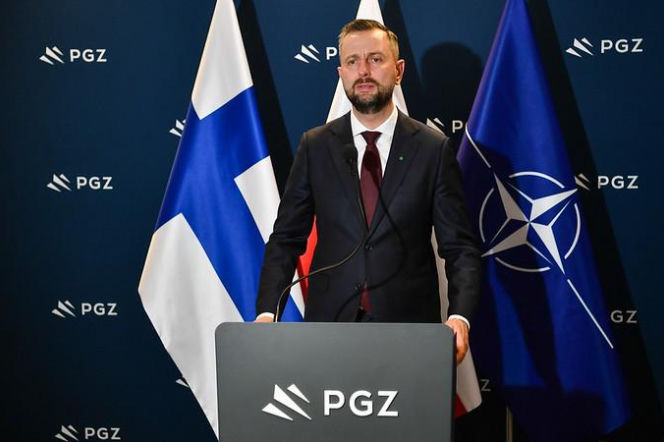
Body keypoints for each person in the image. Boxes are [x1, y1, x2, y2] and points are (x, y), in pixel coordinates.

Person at [255, 19, 480, 363]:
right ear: (341, 73)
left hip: (409, 330)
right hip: (330, 327)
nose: (363, 71)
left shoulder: (432, 149)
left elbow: (459, 247)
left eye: (375, 59)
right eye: (352, 61)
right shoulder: (316, 146)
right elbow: (286, 238)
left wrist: (459, 316)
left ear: (399, 70)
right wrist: (267, 312)